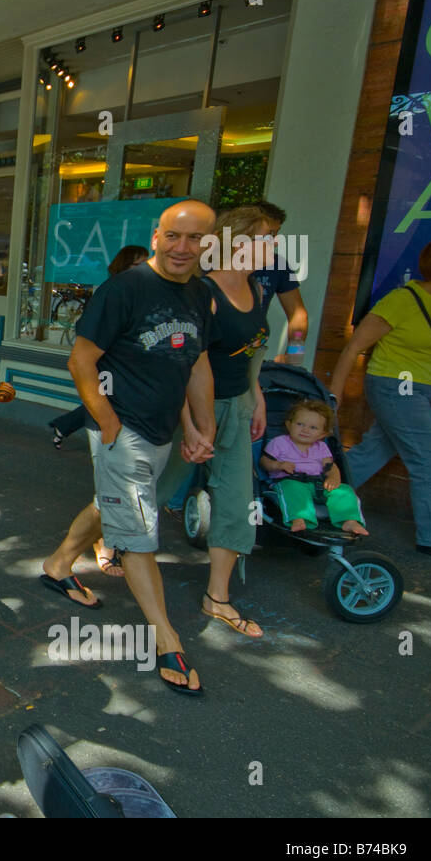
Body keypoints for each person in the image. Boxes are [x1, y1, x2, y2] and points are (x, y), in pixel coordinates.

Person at [38, 199, 217, 695]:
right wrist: (108, 421)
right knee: (137, 531)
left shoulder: (200, 295)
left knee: (112, 504)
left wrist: (203, 428)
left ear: (208, 243)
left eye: (196, 238)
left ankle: (57, 566)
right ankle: (167, 639)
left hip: (161, 430)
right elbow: (81, 361)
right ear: (157, 237)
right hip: (124, 429)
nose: (184, 247)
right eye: (174, 236)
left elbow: (195, 363)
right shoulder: (125, 288)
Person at [157, 206, 273, 640]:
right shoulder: (200, 293)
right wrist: (190, 424)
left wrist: (256, 398)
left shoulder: (258, 291)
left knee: (237, 500)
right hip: (190, 408)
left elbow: (253, 351)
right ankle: (110, 538)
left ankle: (217, 597)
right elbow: (183, 363)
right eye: (266, 237)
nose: (275, 245)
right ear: (237, 243)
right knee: (160, 487)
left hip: (236, 406)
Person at [330, 233, 431, 563]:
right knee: (430, 461)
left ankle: (317, 494)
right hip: (397, 385)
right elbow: (354, 347)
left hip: (424, 388)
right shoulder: (402, 301)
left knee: (374, 450)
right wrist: (335, 394)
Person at [46, 243, 149, 576]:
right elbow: (82, 358)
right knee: (113, 492)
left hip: (145, 410)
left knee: (122, 492)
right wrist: (106, 419)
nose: (144, 267)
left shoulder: (150, 294)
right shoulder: (112, 293)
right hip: (113, 397)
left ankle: (91, 549)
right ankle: (95, 549)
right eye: (137, 263)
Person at [260, 399, 368, 535]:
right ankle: (299, 518)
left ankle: (349, 520)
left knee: (344, 490)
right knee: (293, 489)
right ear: (289, 424)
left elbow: (330, 466)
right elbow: (264, 461)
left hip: (318, 483)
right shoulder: (279, 443)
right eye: (300, 424)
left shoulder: (321, 447)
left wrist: (334, 477)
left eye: (313, 428)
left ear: (322, 434)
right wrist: (278, 465)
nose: (305, 430)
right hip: (291, 480)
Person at [249, 200, 309, 365]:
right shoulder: (215, 261)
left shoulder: (278, 264)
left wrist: (295, 356)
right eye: (268, 234)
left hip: (252, 353)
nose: (274, 241)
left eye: (275, 234)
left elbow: (298, 315)